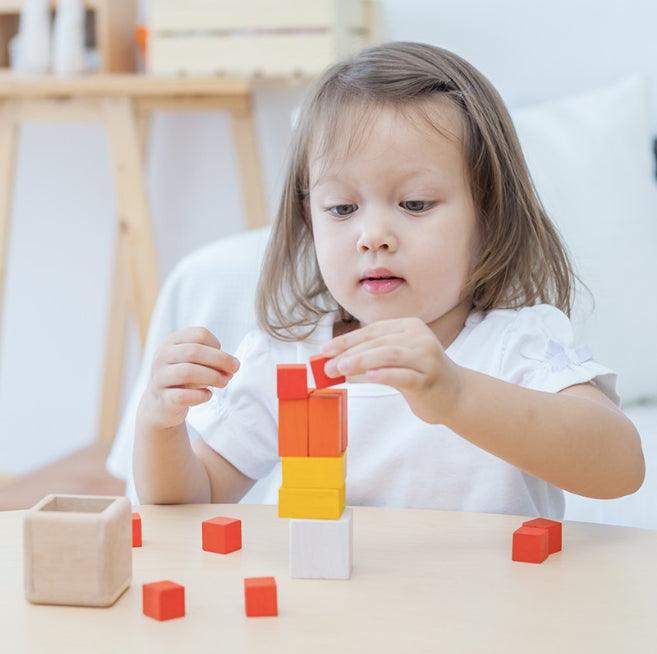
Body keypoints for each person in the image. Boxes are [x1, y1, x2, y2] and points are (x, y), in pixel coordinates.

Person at [132, 41, 644, 518]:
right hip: (337, 614)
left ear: (488, 214)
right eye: (342, 207)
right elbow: (191, 503)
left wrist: (458, 396)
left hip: (489, 613)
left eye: (415, 204)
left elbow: (620, 467)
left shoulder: (515, 345)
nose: (372, 236)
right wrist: (159, 423)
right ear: (309, 220)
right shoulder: (286, 359)